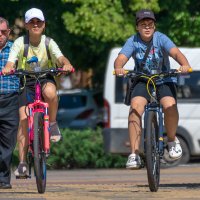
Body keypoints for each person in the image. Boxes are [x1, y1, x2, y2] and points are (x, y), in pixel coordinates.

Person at [114, 9, 192, 169]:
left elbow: (176, 53)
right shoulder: (133, 41)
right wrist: (119, 67)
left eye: (150, 24)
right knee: (135, 108)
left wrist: (184, 65)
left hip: (164, 78)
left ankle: (171, 140)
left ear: (154, 26)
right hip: (142, 80)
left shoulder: (161, 38)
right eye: (143, 24)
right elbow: (121, 58)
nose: (147, 27)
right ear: (137, 27)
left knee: (169, 105)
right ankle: (134, 154)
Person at [2, 8, 74, 176]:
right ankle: (22, 163)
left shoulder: (49, 42)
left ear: (44, 24)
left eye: (39, 22)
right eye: (32, 22)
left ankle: (53, 123)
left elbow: (60, 58)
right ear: (26, 25)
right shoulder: (20, 42)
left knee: (50, 93)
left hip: (44, 77)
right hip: (26, 80)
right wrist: (8, 67)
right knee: (23, 119)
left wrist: (66, 64)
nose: (35, 25)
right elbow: (11, 60)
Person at [0, 17, 19, 188]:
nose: (0, 35)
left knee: (7, 144)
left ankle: (3, 179)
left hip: (10, 99)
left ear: (8, 33)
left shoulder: (15, 49)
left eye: (3, 32)